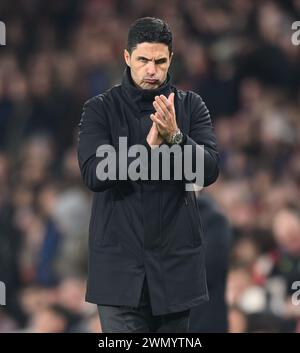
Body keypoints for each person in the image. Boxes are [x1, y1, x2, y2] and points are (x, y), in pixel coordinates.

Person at [77, 17, 219, 333]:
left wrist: (177, 137)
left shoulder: (191, 106)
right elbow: (94, 174)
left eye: (159, 61)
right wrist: (148, 145)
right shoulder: (100, 109)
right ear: (127, 58)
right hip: (119, 277)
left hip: (175, 274)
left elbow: (208, 171)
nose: (151, 70)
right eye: (143, 60)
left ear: (171, 61)